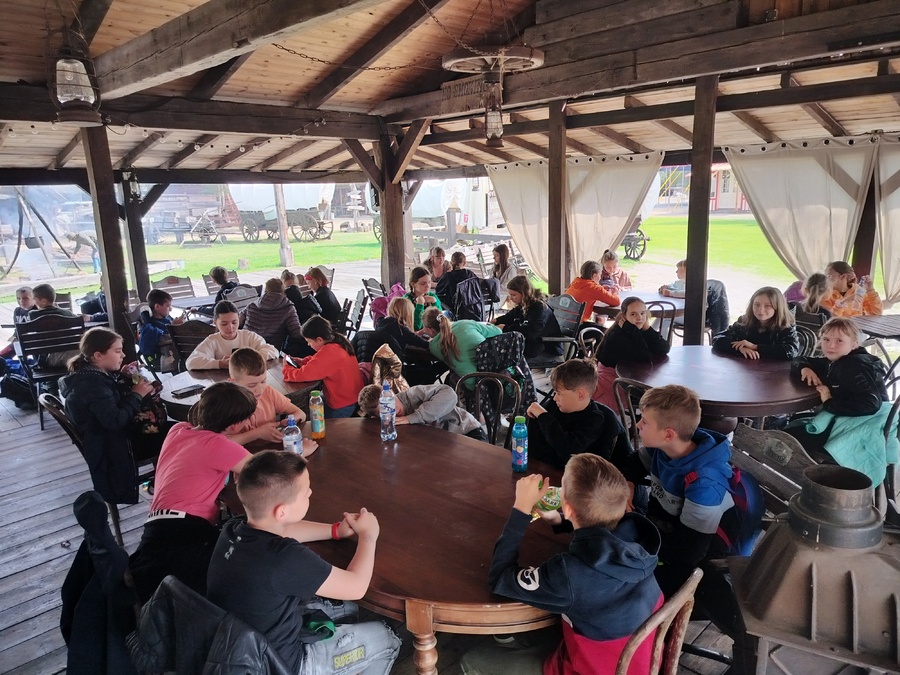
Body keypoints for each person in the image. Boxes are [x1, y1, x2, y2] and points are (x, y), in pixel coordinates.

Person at [461, 455, 662, 675]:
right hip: (636, 660)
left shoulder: (569, 574)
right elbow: (597, 534)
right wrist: (557, 519)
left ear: (567, 507)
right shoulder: (636, 537)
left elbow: (500, 578)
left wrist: (521, 509)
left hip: (588, 668)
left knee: (472, 659)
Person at [206, 450, 401, 675]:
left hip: (242, 648)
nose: (310, 492)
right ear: (282, 512)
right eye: (305, 492)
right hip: (283, 665)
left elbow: (286, 530)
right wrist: (368, 536)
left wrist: (335, 530)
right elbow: (356, 587)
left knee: (348, 608)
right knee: (387, 637)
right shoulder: (284, 558)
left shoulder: (234, 529)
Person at [128, 382, 255, 602]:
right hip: (186, 529)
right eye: (246, 419)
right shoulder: (218, 445)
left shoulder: (178, 430)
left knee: (152, 582)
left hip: (157, 524)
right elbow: (264, 470)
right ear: (235, 425)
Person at [620, 385, 736, 599]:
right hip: (662, 531)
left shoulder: (704, 484)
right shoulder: (663, 449)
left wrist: (639, 544)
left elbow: (689, 553)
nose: (637, 425)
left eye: (644, 421)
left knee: (623, 586)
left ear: (668, 434)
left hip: (693, 558)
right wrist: (629, 483)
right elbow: (634, 463)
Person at [59, 328, 165, 505]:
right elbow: (115, 420)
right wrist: (136, 395)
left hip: (107, 440)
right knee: (177, 436)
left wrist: (120, 375)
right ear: (98, 355)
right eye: (117, 351)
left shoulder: (88, 375)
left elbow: (107, 400)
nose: (123, 355)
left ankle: (164, 482)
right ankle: (165, 485)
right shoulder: (92, 386)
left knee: (175, 431)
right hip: (114, 449)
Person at [787, 317, 889, 466]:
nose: (831, 345)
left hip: (860, 426)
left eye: (839, 341)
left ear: (854, 344)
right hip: (857, 419)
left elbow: (871, 403)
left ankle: (804, 472)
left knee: (787, 436)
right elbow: (799, 359)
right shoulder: (838, 360)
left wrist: (829, 401)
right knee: (796, 421)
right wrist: (805, 368)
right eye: (826, 339)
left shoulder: (852, 366)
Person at [527, 358, 633, 472]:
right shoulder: (555, 405)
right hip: (544, 469)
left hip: (578, 477)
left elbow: (567, 449)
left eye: (559, 393)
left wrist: (543, 416)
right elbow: (532, 443)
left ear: (581, 395)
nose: (555, 398)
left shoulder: (595, 419)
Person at [226, 347, 318, 450]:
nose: (260, 389)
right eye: (252, 385)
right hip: (241, 455)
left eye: (263, 381)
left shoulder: (268, 392)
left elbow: (301, 414)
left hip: (271, 450)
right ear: (233, 383)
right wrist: (257, 433)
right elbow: (219, 442)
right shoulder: (225, 405)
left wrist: (289, 422)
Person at [595, 296, 670, 410]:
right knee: (657, 400)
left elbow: (664, 348)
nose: (639, 317)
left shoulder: (637, 329)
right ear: (624, 316)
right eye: (633, 314)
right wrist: (631, 329)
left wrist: (648, 328)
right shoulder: (618, 334)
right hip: (614, 382)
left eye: (642, 313)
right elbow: (644, 356)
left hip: (630, 376)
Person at [282, 315, 363, 418]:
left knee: (317, 422)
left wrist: (287, 368)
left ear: (319, 339)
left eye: (309, 341)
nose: (308, 345)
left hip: (342, 405)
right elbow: (319, 361)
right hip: (350, 399)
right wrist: (302, 361)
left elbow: (302, 375)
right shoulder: (336, 343)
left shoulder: (329, 352)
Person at [357, 382, 487, 441]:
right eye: (384, 412)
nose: (393, 412)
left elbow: (450, 395)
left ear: (391, 392)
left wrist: (415, 417)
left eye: (390, 403)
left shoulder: (414, 394)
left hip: (466, 430)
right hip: (443, 442)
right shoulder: (389, 420)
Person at [186, 301, 278, 370]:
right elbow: (191, 362)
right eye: (224, 324)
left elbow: (272, 350)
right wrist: (220, 363)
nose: (230, 327)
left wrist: (252, 358)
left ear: (239, 319)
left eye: (234, 322)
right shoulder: (212, 341)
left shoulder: (249, 336)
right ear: (215, 323)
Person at [712, 286, 799, 360]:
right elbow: (718, 339)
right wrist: (740, 349)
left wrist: (754, 346)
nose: (760, 310)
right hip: (745, 369)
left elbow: (791, 351)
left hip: (773, 372)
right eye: (756, 305)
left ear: (777, 308)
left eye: (768, 306)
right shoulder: (744, 321)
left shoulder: (786, 325)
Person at [424, 306, 501, 385]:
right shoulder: (465, 323)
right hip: (500, 377)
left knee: (451, 376)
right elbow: (498, 331)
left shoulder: (434, 347)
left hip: (477, 385)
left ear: (430, 329)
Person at [494, 275, 563, 360]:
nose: (511, 298)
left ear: (524, 293)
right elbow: (509, 317)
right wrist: (496, 321)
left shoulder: (540, 308)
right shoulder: (524, 305)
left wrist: (505, 328)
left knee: (503, 354)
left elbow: (531, 332)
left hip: (547, 348)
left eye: (513, 295)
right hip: (534, 344)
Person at [244, 278, 304, 353]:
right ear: (283, 290)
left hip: (245, 347)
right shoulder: (288, 308)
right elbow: (296, 333)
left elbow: (238, 320)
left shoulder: (252, 305)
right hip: (270, 351)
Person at [139, 288, 185, 367]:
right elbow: (164, 338)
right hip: (166, 358)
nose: (170, 309)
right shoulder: (152, 326)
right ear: (157, 306)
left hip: (176, 351)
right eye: (168, 306)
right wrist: (173, 327)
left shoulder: (166, 318)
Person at [0, 286, 35, 358]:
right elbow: (17, 327)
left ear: (33, 298)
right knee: (2, 355)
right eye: (18, 298)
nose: (21, 301)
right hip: (18, 341)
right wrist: (14, 337)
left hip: (34, 342)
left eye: (25, 298)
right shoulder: (17, 311)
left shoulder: (36, 311)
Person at [405, 266, 443, 331]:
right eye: (423, 283)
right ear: (413, 284)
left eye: (429, 282)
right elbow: (416, 326)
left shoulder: (432, 296)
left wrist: (434, 303)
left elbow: (441, 320)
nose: (427, 286)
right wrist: (420, 305)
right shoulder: (407, 300)